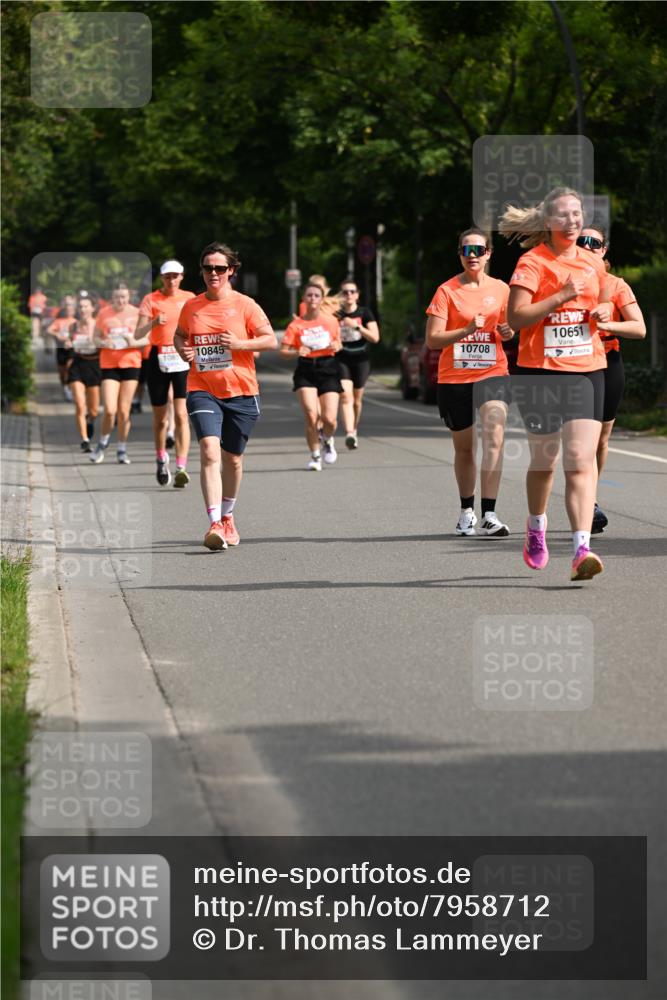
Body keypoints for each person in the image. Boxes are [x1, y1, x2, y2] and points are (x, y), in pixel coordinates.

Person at [500, 187, 613, 581]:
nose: (572, 221)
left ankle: (582, 548)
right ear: (547, 223)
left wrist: (601, 310)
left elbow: (604, 302)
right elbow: (516, 318)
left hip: (586, 368)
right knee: (545, 463)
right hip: (540, 373)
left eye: (577, 213)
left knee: (581, 460)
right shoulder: (532, 263)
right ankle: (536, 527)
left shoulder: (592, 264)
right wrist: (561, 295)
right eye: (563, 215)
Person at [173, 242, 277, 550]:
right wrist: (183, 351)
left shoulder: (245, 305)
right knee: (208, 450)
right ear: (201, 271)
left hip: (241, 391)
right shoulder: (192, 306)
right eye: (208, 268)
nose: (213, 274)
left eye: (220, 268)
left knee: (232, 459)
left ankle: (228, 516)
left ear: (231, 270)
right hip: (201, 387)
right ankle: (214, 522)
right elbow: (180, 335)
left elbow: (270, 340)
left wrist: (239, 344)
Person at [425, 229, 514, 537]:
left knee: (494, 435)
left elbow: (510, 327)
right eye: (466, 250)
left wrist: (507, 332)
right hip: (455, 377)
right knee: (464, 449)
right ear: (460, 254)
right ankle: (466, 511)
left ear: (488, 253)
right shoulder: (447, 291)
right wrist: (463, 331)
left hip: (493, 372)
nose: (472, 255)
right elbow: (432, 339)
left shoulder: (502, 289)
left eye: (478, 249)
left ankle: (490, 513)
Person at [577, 225, 646, 533]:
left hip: (608, 359)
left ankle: (589, 499)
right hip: (573, 365)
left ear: (604, 250)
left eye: (595, 242)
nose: (588, 246)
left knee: (601, 438)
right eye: (582, 241)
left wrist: (609, 325)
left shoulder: (615, 285)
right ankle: (580, 497)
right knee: (579, 441)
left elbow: (640, 329)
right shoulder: (560, 281)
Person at [133, 260, 195, 487]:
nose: (171, 280)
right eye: (167, 276)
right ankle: (161, 458)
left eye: (175, 276)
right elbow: (138, 334)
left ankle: (181, 466)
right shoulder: (151, 300)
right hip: (158, 359)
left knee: (181, 415)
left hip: (181, 359)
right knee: (161, 418)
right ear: (162, 278)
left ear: (181, 277)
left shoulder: (190, 298)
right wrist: (153, 323)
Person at [280, 283, 343, 471]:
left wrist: (337, 346)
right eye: (309, 295)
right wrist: (297, 351)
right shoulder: (296, 325)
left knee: (329, 419)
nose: (313, 298)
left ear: (322, 299)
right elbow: (283, 351)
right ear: (304, 299)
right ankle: (315, 456)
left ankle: (328, 439)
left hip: (328, 367)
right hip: (306, 370)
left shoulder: (331, 321)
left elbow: (338, 341)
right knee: (311, 414)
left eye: (317, 295)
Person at [89, 283, 144, 465]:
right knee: (110, 410)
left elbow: (148, 338)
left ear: (129, 298)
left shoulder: (137, 313)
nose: (120, 300)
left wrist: (132, 341)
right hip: (109, 364)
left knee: (123, 410)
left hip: (131, 363)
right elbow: (95, 338)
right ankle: (102, 443)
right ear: (112, 298)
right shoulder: (104, 313)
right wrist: (104, 342)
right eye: (117, 297)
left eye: (124, 297)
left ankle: (122, 447)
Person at [336, 280, 380, 449]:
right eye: (345, 292)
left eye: (352, 291)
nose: (348, 295)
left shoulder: (364, 313)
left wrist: (357, 327)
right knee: (345, 396)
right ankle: (349, 433)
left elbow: (375, 338)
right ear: (341, 295)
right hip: (341, 359)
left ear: (357, 295)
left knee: (356, 400)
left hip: (361, 360)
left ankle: (354, 428)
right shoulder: (336, 314)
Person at [66, 293, 101, 452]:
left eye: (86, 306)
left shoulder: (99, 324)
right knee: (80, 405)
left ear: (92, 308)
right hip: (77, 365)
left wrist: (98, 341)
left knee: (93, 410)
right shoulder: (73, 326)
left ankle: (90, 421)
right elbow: (68, 341)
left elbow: (106, 342)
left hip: (94, 365)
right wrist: (67, 342)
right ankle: (85, 440)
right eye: (80, 307)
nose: (83, 309)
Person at [46, 295, 77, 400]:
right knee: (62, 373)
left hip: (72, 349)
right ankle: (64, 386)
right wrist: (57, 335)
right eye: (67, 308)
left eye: (71, 308)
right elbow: (49, 330)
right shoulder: (59, 321)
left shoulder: (76, 321)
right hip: (61, 349)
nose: (69, 310)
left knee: (69, 367)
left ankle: (69, 388)